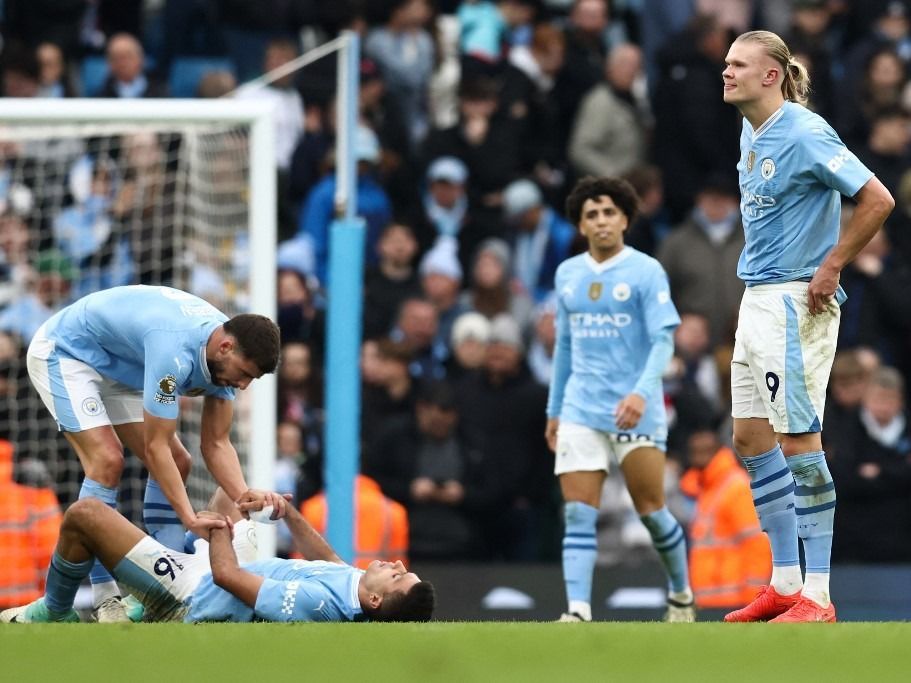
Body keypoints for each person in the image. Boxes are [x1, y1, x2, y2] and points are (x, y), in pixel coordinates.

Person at [720, 30, 895, 623]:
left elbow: (878, 199)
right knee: (749, 438)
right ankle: (785, 582)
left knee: (798, 440)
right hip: (757, 298)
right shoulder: (751, 128)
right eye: (726, 63)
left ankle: (818, 595)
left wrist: (834, 262)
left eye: (738, 64)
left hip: (796, 301)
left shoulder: (804, 130)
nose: (727, 71)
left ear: (771, 75)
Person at [25, 284, 282, 622]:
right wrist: (190, 517)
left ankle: (161, 594)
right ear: (226, 347)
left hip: (121, 367)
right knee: (107, 460)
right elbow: (155, 445)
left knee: (179, 461)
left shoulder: (225, 354)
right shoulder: (172, 350)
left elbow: (216, 444)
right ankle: (102, 600)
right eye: (246, 375)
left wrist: (244, 496)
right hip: (67, 352)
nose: (244, 385)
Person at [545, 176, 694, 623]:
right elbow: (565, 347)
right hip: (580, 408)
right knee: (577, 512)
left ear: (626, 219)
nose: (602, 220)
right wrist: (555, 410)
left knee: (651, 510)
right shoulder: (567, 274)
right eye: (591, 214)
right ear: (581, 225)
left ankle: (681, 593)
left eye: (609, 212)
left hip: (635, 409)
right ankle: (578, 611)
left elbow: (664, 341)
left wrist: (640, 393)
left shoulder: (646, 271)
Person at [0, 488, 435, 623]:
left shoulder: (317, 607)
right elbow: (330, 560)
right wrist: (289, 513)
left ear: (376, 602)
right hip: (224, 568)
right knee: (233, 490)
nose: (396, 564)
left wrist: (217, 529)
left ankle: (55, 611)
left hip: (193, 592)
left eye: (398, 577)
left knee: (86, 514)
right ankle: (135, 594)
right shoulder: (352, 585)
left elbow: (227, 577)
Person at [679, 424, 772, 609]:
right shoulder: (708, 488)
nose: (698, 452)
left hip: (734, 600)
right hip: (712, 600)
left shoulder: (735, 488)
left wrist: (753, 601)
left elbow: (757, 545)